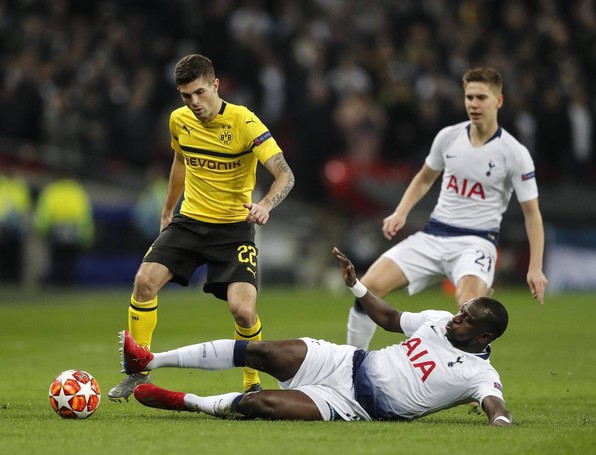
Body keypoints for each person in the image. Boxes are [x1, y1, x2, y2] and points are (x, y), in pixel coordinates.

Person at [115, 247, 513, 426]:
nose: (455, 318)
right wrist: (357, 286)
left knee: (261, 405)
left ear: (483, 337)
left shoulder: (479, 375)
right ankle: (149, 360)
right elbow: (391, 317)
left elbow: (496, 405)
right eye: (461, 311)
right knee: (262, 351)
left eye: (465, 319)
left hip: (352, 404)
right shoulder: (438, 319)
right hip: (347, 361)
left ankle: (184, 402)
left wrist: (500, 423)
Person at [108, 54, 295, 401]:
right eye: (185, 95)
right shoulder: (179, 121)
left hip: (233, 228)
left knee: (243, 310)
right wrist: (168, 210)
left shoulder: (245, 122)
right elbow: (180, 160)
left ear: (215, 86)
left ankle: (252, 381)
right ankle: (137, 371)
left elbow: (286, 173)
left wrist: (265, 204)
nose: (194, 102)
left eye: (199, 93)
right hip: (190, 222)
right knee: (144, 282)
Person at [346, 67, 548, 349]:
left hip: (476, 242)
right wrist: (401, 211)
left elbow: (532, 213)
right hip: (434, 235)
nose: (474, 104)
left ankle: (471, 385)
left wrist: (535, 267)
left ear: (498, 101)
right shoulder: (449, 137)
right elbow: (424, 177)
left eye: (481, 97)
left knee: (471, 312)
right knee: (366, 288)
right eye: (469, 97)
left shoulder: (514, 153)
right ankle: (353, 365)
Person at [33, 173, 95, 285]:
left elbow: (44, 214)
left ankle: (56, 290)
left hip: (54, 234)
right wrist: (86, 235)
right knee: (70, 265)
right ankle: (69, 290)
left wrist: (42, 230)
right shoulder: (77, 191)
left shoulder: (51, 191)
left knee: (56, 264)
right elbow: (85, 216)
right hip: (74, 234)